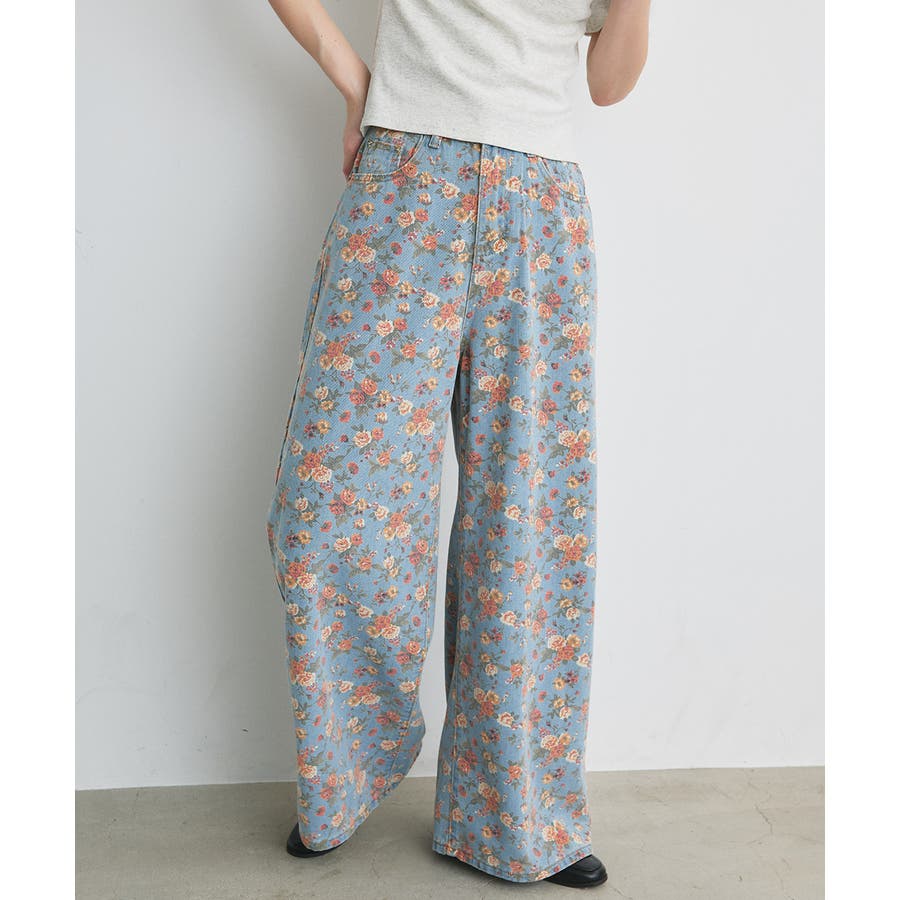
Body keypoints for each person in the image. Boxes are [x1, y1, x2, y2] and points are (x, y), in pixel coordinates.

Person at [264, 0, 650, 888]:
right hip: (402, 180)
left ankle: (518, 816)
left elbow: (609, 81)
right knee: (326, 508)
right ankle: (347, 770)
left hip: (540, 208)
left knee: (528, 523)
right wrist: (355, 82)